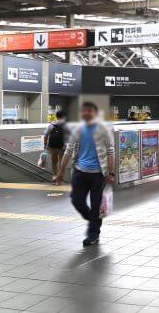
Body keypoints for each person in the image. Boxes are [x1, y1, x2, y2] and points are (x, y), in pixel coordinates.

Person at [54, 102, 115, 246]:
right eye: (84, 111)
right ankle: (94, 220)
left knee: (95, 205)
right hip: (79, 171)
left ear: (95, 113)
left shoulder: (103, 129)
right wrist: (60, 172)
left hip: (98, 174)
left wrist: (111, 172)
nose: (86, 113)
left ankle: (93, 234)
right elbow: (68, 150)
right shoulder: (78, 129)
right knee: (76, 200)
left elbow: (110, 151)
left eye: (89, 111)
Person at [44, 110, 70, 176]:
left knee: (54, 161)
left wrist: (45, 143)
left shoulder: (51, 125)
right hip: (63, 146)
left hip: (53, 146)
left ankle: (55, 176)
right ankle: (60, 177)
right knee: (61, 161)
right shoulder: (66, 125)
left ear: (56, 116)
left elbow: (46, 135)